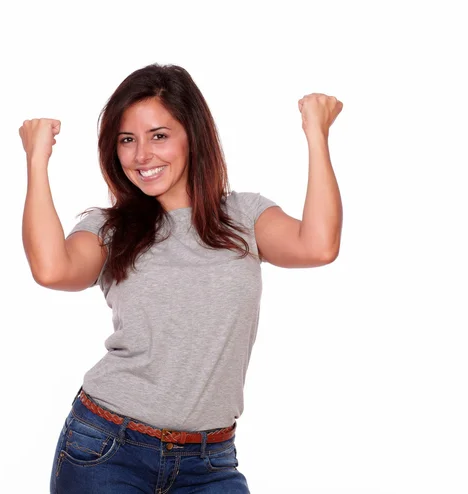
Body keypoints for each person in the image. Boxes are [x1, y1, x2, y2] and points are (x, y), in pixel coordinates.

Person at [20, 63, 343, 493]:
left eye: (159, 136)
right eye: (127, 140)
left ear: (192, 135)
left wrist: (316, 135)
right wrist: (37, 160)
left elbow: (318, 246)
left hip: (210, 463)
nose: (141, 156)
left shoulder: (244, 217)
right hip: (107, 450)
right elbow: (51, 268)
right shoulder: (109, 230)